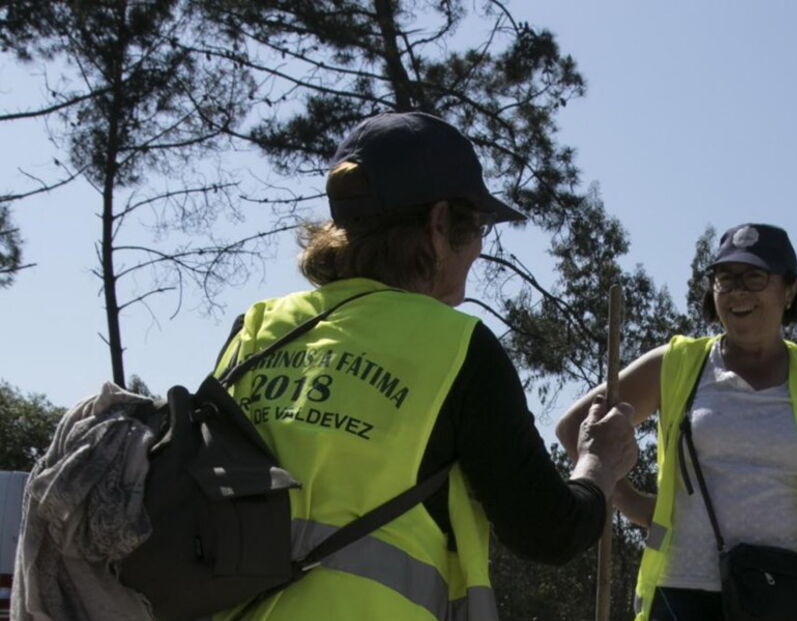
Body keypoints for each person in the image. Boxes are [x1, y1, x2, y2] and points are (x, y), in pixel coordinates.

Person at [214, 111, 638, 621]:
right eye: (477, 227)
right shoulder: (458, 348)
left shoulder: (258, 328)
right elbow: (546, 530)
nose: (479, 249)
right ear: (440, 226)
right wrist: (600, 465)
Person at [556, 223, 797, 621]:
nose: (738, 292)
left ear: (790, 289)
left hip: (790, 599)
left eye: (755, 277)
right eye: (725, 279)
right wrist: (632, 502)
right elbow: (575, 427)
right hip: (684, 595)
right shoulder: (676, 364)